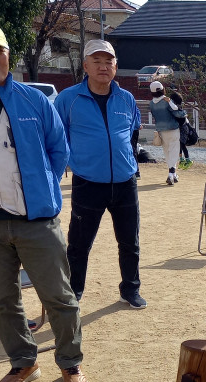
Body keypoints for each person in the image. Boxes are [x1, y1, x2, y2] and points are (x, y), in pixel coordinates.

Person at [0, 22, 88, 382]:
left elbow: (58, 149)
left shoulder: (34, 101)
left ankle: (70, 363)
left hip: (36, 220)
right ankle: (23, 363)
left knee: (58, 296)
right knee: (2, 301)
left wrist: (41, 186)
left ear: (8, 57)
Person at [55, 39, 145, 308]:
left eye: (109, 61)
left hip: (125, 182)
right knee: (79, 245)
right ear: (85, 65)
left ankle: (130, 289)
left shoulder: (126, 98)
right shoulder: (68, 98)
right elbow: (57, 137)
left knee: (130, 242)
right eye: (97, 61)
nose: (103, 66)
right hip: (88, 183)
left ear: (116, 66)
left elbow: (131, 132)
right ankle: (74, 292)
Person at [150, 82, 185, 184]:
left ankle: (174, 175)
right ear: (162, 89)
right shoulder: (166, 101)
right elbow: (177, 113)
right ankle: (171, 174)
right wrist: (184, 113)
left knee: (167, 152)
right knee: (174, 152)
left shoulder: (151, 104)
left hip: (161, 131)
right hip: (173, 129)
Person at [171, 91, 192, 167]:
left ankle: (188, 160)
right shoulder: (179, 107)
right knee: (179, 145)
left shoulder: (177, 108)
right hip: (181, 128)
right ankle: (181, 160)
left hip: (183, 129)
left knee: (182, 145)